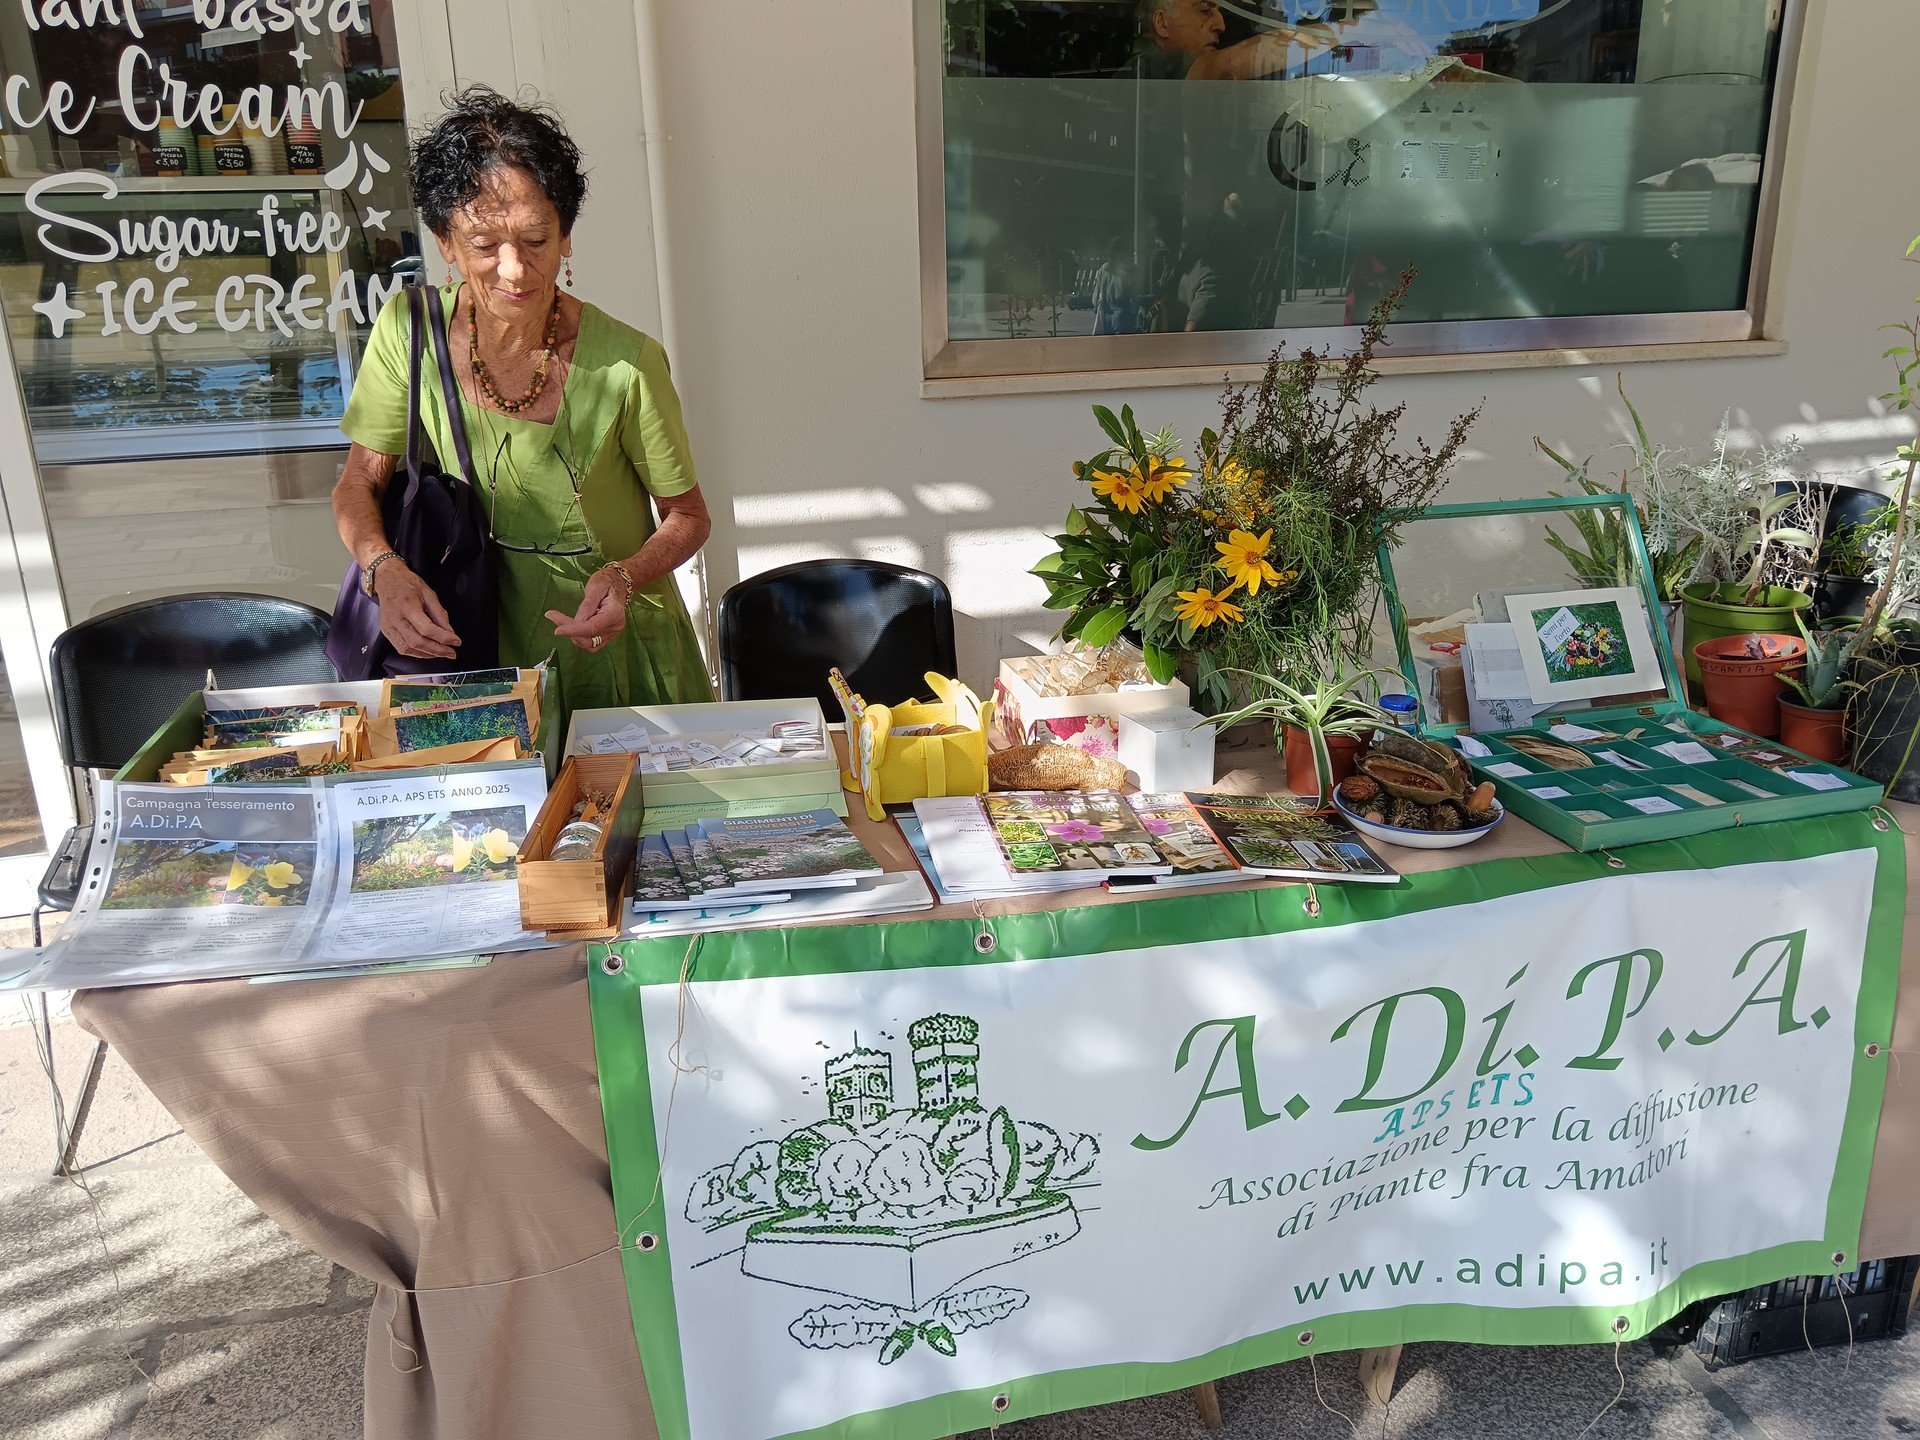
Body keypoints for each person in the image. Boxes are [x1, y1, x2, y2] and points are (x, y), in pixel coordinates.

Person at [332, 86, 714, 713]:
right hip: (473, 640)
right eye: (484, 245)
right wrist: (384, 570)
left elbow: (689, 516)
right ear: (445, 242)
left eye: (537, 240)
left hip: (611, 643)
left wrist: (623, 577)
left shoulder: (627, 362)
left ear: (566, 237)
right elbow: (357, 484)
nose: (514, 269)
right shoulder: (409, 332)